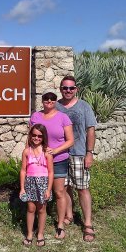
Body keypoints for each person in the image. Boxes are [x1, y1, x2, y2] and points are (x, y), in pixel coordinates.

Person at [57, 75, 97, 242]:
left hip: (79, 153)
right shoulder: (56, 106)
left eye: (71, 88)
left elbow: (91, 131)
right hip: (60, 154)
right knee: (65, 188)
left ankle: (87, 224)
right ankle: (69, 214)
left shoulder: (84, 106)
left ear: (76, 89)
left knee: (82, 188)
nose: (68, 90)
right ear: (60, 89)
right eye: (65, 88)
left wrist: (89, 152)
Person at [29, 90, 74, 239]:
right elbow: (30, 137)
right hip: (38, 162)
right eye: (46, 99)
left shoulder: (63, 117)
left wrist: (55, 150)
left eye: (52, 99)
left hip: (58, 160)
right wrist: (28, 154)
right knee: (37, 194)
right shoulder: (35, 116)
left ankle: (60, 225)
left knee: (59, 192)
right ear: (42, 101)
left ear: (56, 101)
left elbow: (70, 140)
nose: (49, 101)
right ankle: (35, 224)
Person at [20, 124, 54, 247]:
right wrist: (22, 188)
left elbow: (50, 172)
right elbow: (23, 170)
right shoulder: (26, 152)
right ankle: (29, 234)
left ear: (43, 137)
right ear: (30, 136)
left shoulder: (47, 153)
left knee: (41, 209)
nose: (36, 138)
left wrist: (49, 189)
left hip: (43, 183)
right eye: (34, 135)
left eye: (39, 136)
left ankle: (40, 234)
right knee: (31, 209)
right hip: (30, 183)